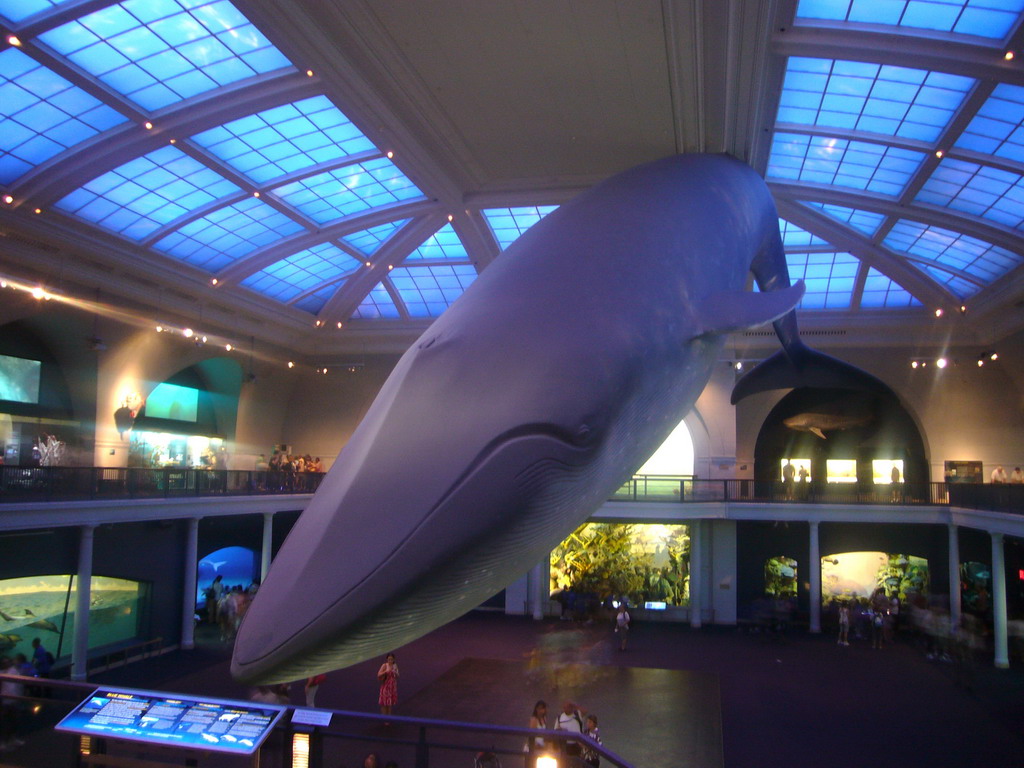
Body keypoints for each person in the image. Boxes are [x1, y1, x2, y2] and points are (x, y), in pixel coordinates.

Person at [524, 700, 547, 768]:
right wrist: (535, 746)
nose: (540, 710)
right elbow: (531, 735)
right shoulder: (534, 719)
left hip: (540, 748)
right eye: (538, 708)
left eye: (542, 708)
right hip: (533, 747)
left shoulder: (544, 719)